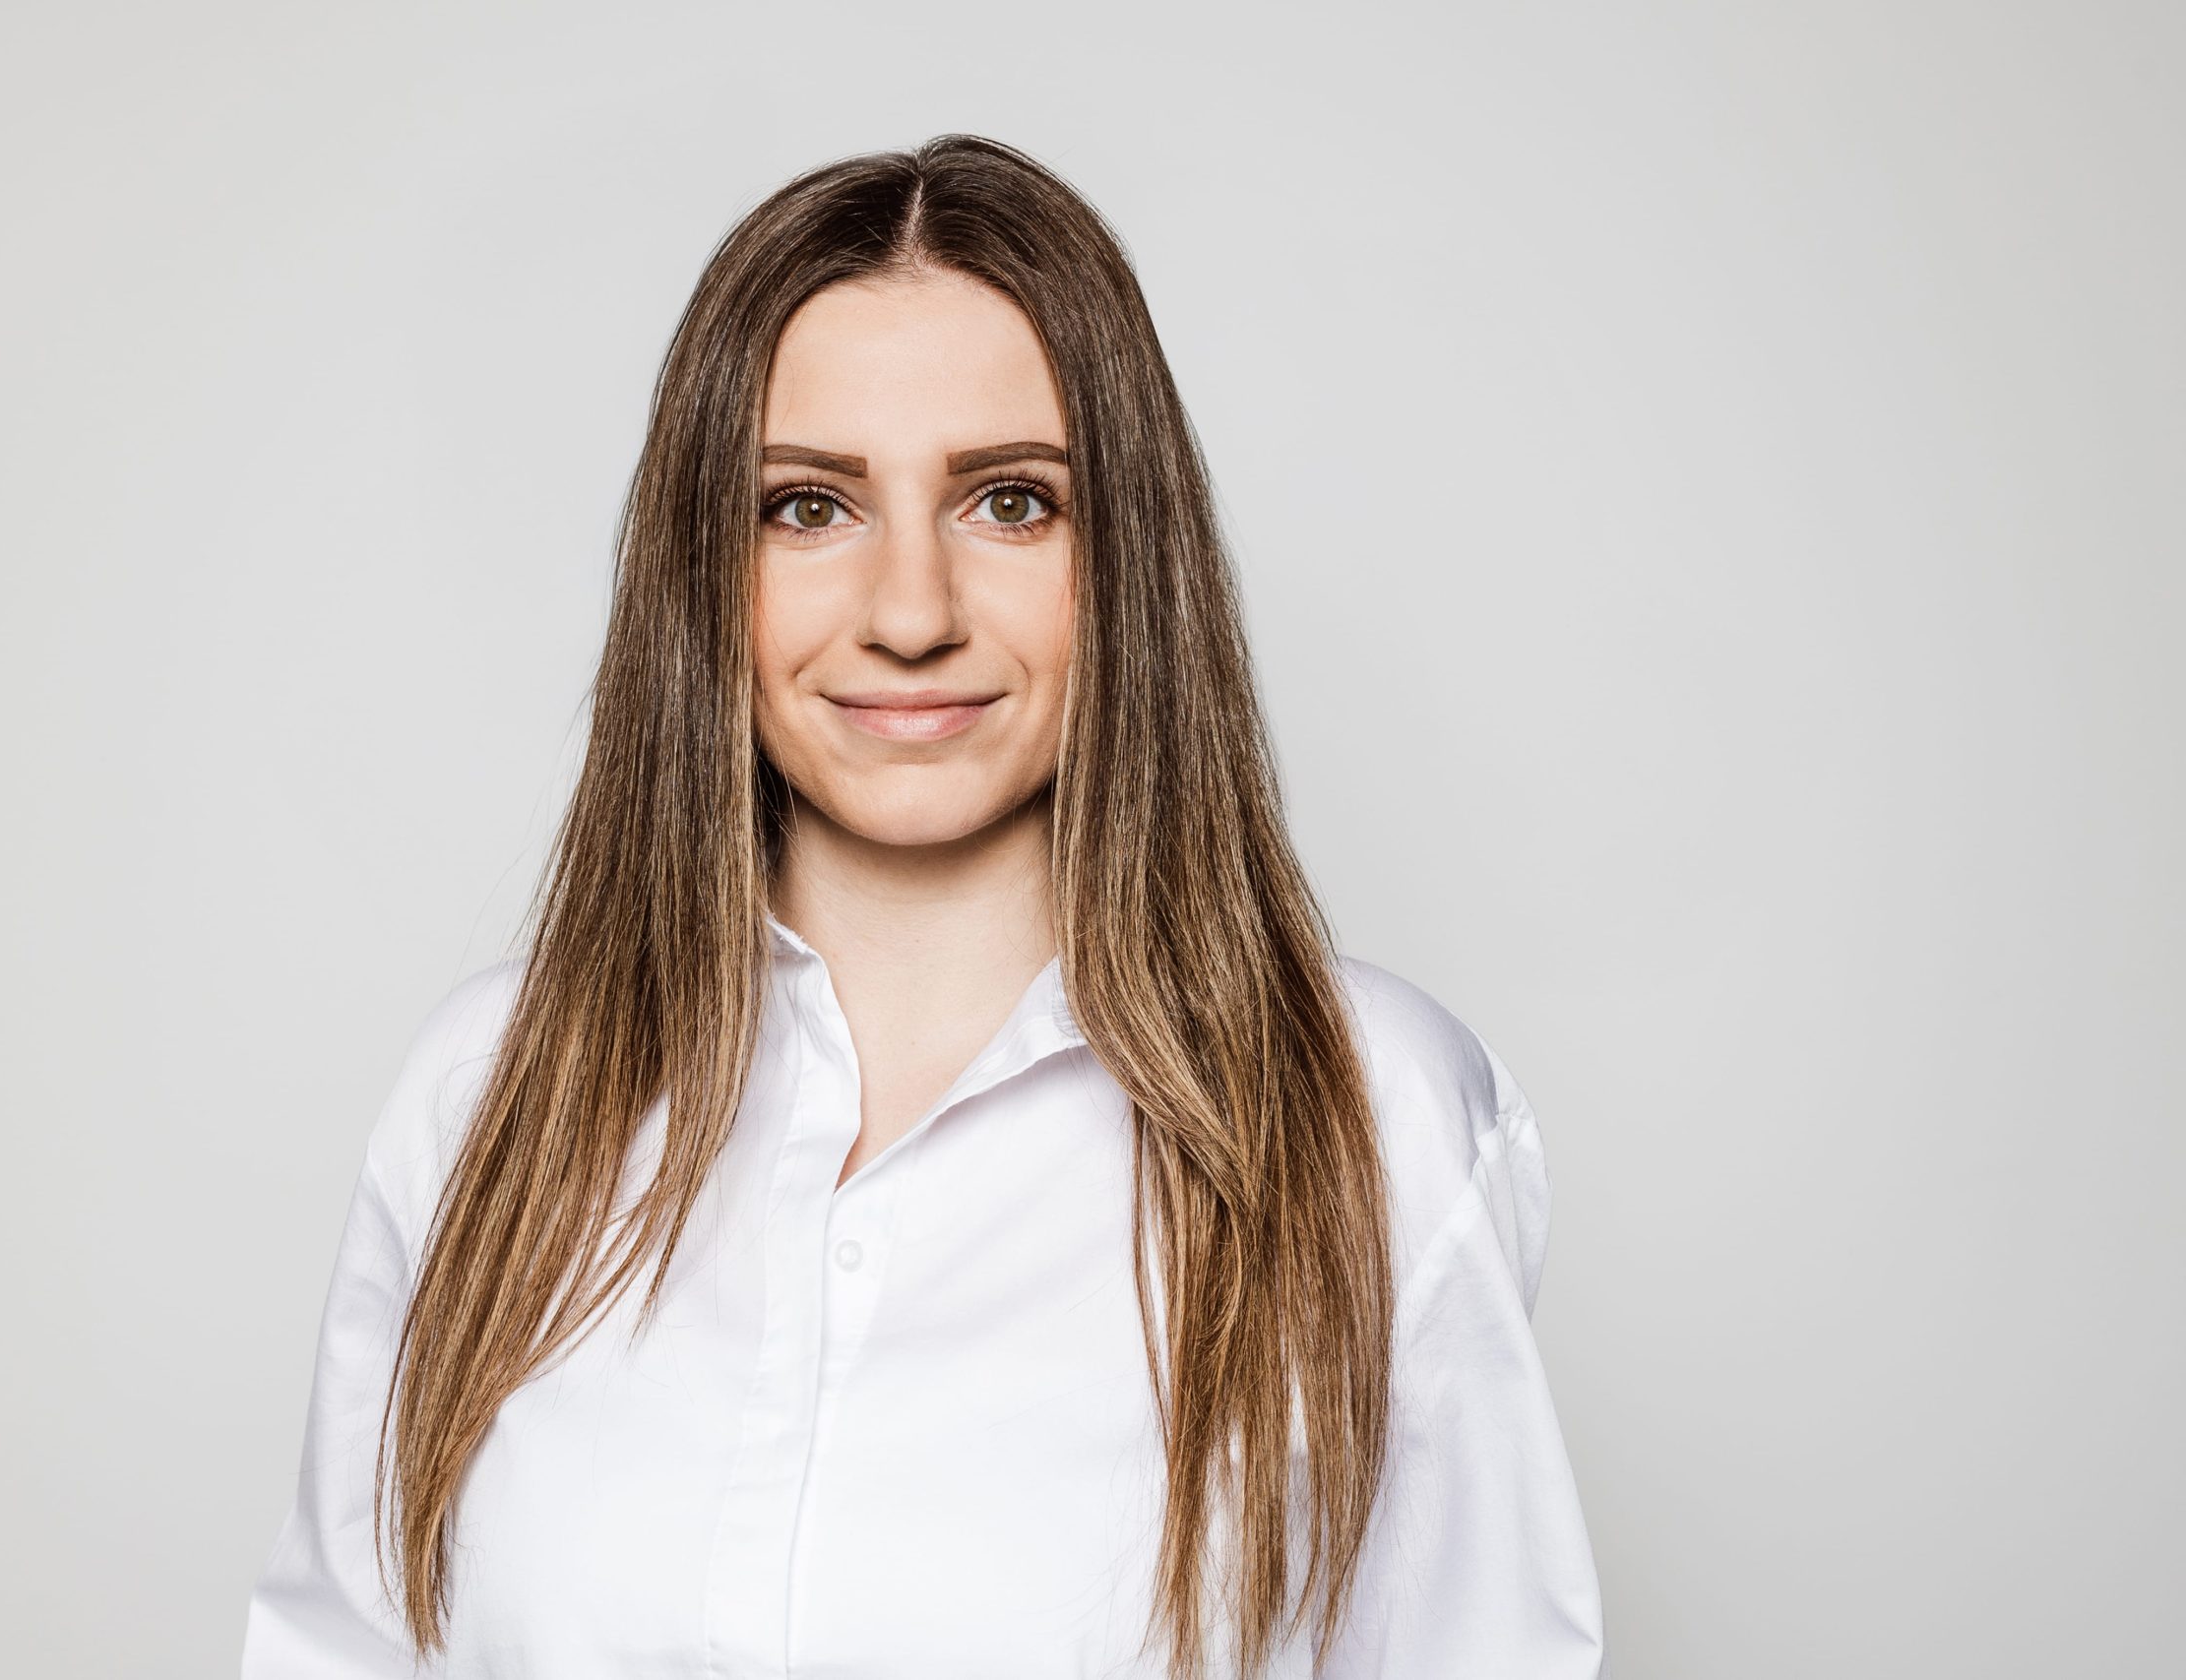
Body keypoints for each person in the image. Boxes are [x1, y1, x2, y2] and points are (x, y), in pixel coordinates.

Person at [241, 135, 1604, 1679]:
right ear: (704, 569)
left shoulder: (1374, 1114)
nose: (909, 613)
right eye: (807, 507)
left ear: (1127, 556)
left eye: (1011, 503)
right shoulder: (490, 1091)